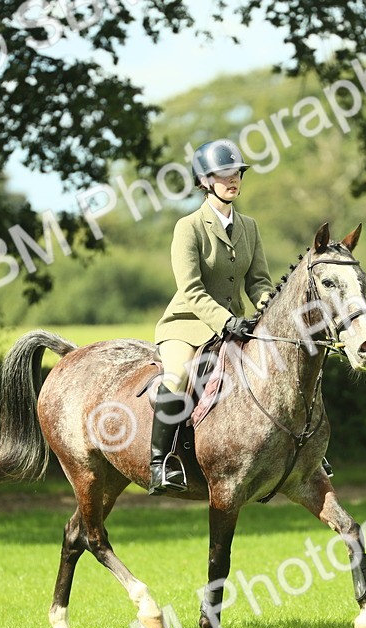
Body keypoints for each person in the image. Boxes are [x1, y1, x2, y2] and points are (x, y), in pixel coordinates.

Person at [149, 139, 272, 495]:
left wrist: (267, 310)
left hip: (235, 325)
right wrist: (225, 321)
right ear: (205, 181)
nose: (233, 180)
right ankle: (161, 463)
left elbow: (259, 282)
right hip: (187, 325)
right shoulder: (188, 227)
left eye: (236, 173)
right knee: (177, 377)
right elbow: (191, 289)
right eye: (223, 174)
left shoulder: (249, 226)